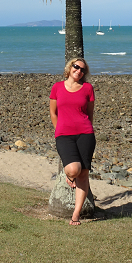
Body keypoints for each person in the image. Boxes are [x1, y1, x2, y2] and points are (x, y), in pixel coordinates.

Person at [49, 57, 95, 226]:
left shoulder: (88, 88)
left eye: (83, 69)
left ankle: (76, 215)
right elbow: (53, 113)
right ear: (69, 68)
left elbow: (90, 114)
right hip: (64, 135)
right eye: (76, 66)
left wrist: (88, 129)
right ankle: (70, 176)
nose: (79, 71)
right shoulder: (57, 87)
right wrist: (58, 130)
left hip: (85, 134)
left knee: (83, 174)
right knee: (73, 169)